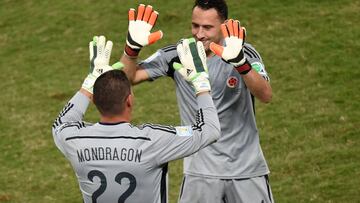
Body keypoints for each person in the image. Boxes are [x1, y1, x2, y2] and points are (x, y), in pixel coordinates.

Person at [120, 1, 274, 202]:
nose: (199, 34)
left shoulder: (243, 52)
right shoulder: (178, 53)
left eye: (207, 27)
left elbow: (266, 95)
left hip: (247, 171)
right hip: (199, 174)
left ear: (224, 25)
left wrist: (240, 63)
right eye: (195, 25)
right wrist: (131, 49)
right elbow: (125, 79)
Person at [52, 35, 221, 203]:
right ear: (129, 101)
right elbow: (209, 130)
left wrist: (88, 85)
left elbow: (61, 123)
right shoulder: (152, 140)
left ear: (94, 101)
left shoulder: (73, 139)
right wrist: (201, 85)